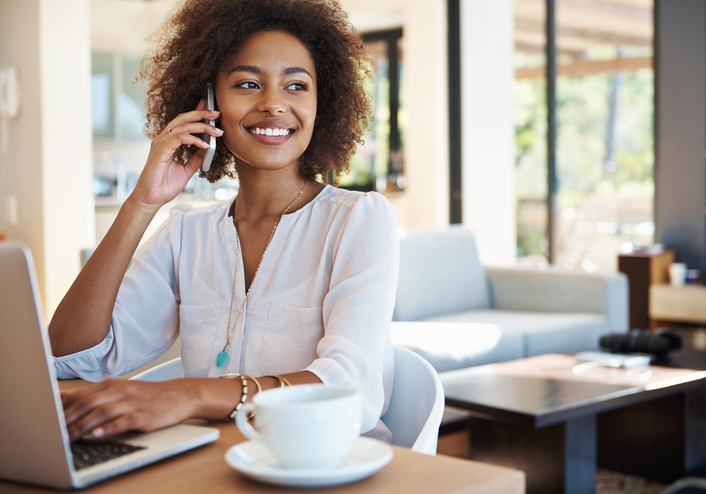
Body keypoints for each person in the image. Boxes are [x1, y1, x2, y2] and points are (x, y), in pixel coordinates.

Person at [48, 0, 398, 443]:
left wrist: (192, 395)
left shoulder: (358, 220)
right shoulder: (185, 234)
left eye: (296, 86)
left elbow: (352, 389)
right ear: (208, 102)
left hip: (327, 463)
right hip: (212, 462)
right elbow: (70, 358)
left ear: (319, 104)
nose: (274, 104)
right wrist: (142, 202)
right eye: (248, 84)